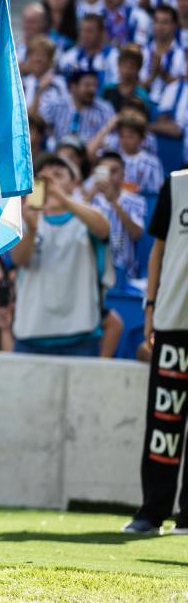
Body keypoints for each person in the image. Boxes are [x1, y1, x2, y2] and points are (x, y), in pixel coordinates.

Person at [125, 168, 188, 534]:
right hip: (173, 318)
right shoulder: (177, 183)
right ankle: (152, 511)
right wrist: (150, 306)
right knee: (164, 422)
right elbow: (158, 252)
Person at [11, 154, 111, 356]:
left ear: (75, 182)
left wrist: (62, 198)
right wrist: (31, 228)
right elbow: (19, 260)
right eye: (43, 177)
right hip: (31, 334)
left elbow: (103, 229)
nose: (50, 182)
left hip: (80, 334)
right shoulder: (23, 220)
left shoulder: (86, 218)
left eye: (58, 175)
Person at [86, 151, 146, 284]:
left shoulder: (136, 201)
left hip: (125, 274)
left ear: (123, 174)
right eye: (105, 171)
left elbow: (136, 234)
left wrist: (114, 201)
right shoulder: (89, 198)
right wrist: (91, 195)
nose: (109, 177)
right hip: (90, 272)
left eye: (113, 171)